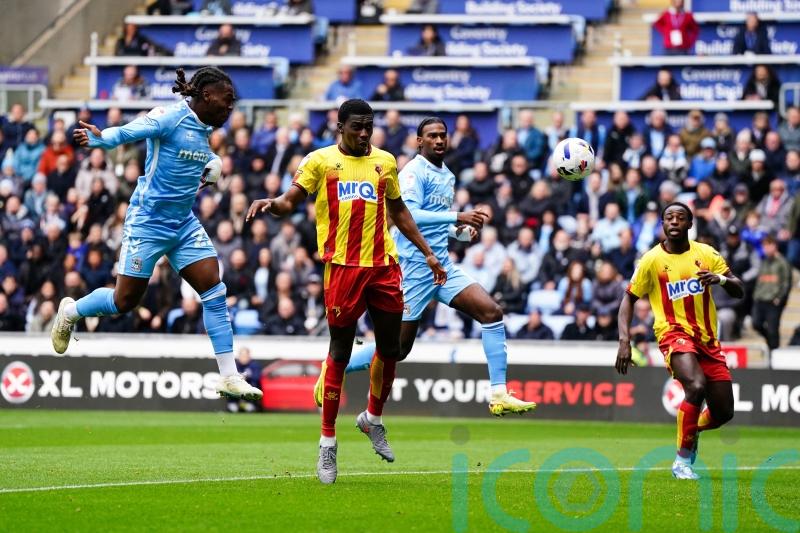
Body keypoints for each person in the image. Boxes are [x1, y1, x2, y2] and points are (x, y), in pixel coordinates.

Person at [245, 99, 446, 485]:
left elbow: (399, 211)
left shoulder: (385, 162)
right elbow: (291, 200)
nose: (365, 133)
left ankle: (372, 419)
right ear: (340, 126)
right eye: (357, 126)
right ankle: (327, 443)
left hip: (383, 266)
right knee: (339, 351)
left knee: (391, 350)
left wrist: (428, 253)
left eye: (369, 126)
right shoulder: (319, 161)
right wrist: (273, 204)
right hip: (342, 269)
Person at [52, 67, 262, 403]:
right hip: (147, 222)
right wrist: (102, 137)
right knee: (125, 301)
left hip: (182, 224)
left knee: (214, 287)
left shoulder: (204, 129)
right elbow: (132, 131)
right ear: (207, 95)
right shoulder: (169, 117)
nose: (230, 107)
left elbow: (189, 160)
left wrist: (212, 163)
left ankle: (229, 375)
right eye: (227, 100)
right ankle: (71, 312)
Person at [327, 116, 535, 413]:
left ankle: (499, 393)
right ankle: (338, 364)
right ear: (419, 141)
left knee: (491, 312)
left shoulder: (448, 175)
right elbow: (408, 215)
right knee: (396, 350)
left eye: (443, 135)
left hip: (443, 268)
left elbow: (433, 220)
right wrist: (457, 217)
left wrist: (458, 232)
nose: (439, 140)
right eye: (432, 136)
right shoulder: (412, 172)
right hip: (413, 269)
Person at [616, 202, 744, 480]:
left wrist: (720, 279)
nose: (674, 221)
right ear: (663, 225)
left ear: (689, 224)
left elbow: (739, 290)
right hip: (673, 334)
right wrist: (624, 340)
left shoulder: (706, 254)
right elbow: (628, 298)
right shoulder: (651, 260)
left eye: (680, 217)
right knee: (695, 386)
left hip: (708, 341)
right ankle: (681, 462)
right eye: (669, 218)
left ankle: (692, 428)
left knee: (724, 412)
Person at [751, 235, 791, 350]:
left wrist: (780, 298)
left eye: (768, 246)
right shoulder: (764, 261)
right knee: (756, 324)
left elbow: (786, 283)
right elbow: (760, 280)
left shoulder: (782, 263)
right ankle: (771, 343)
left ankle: (774, 352)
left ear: (775, 246)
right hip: (760, 299)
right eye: (764, 246)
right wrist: (756, 295)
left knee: (773, 329)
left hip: (774, 301)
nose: (766, 249)